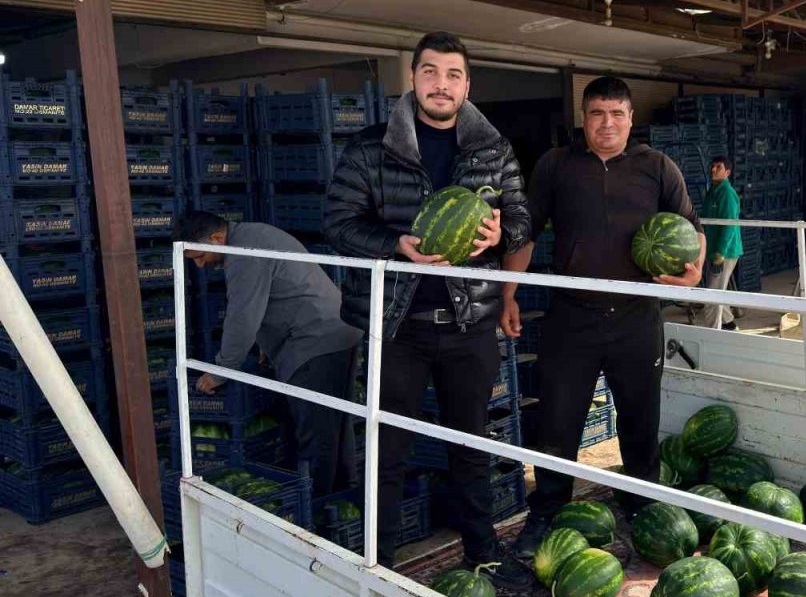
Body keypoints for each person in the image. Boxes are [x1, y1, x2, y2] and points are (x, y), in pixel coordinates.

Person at [322, 31, 532, 587]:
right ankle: (380, 564)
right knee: (386, 452)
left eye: (454, 74)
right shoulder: (371, 148)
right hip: (398, 328)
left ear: (468, 84)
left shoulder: (493, 150)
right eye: (432, 72)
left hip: (471, 326)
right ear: (412, 79)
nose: (443, 84)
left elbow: (523, 220)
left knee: (471, 446)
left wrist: (496, 234)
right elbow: (338, 224)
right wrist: (397, 246)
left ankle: (481, 551)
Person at [502, 76, 706, 559]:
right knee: (556, 422)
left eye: (617, 113)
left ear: (631, 119)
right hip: (571, 318)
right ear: (584, 119)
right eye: (597, 114)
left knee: (640, 422)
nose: (607, 123)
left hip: (636, 318)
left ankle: (642, 506)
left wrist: (693, 274)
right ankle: (549, 509)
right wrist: (507, 294)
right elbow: (527, 234)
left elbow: (690, 228)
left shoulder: (658, 167)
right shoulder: (555, 166)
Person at [175, 211, 364, 498]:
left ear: (216, 239)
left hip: (315, 340)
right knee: (334, 425)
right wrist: (267, 344)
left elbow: (243, 315)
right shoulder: (254, 233)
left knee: (316, 432)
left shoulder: (244, 250)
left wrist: (221, 370)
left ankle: (318, 511)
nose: (200, 266)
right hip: (335, 332)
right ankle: (342, 496)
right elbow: (279, 290)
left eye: (199, 257)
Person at [700, 156, 743, 330]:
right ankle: (729, 325)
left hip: (725, 252)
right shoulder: (713, 192)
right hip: (713, 249)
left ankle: (712, 331)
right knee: (719, 289)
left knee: (712, 293)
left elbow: (729, 225)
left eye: (718, 167)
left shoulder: (727, 194)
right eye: (712, 166)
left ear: (727, 172)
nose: (713, 170)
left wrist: (720, 252)